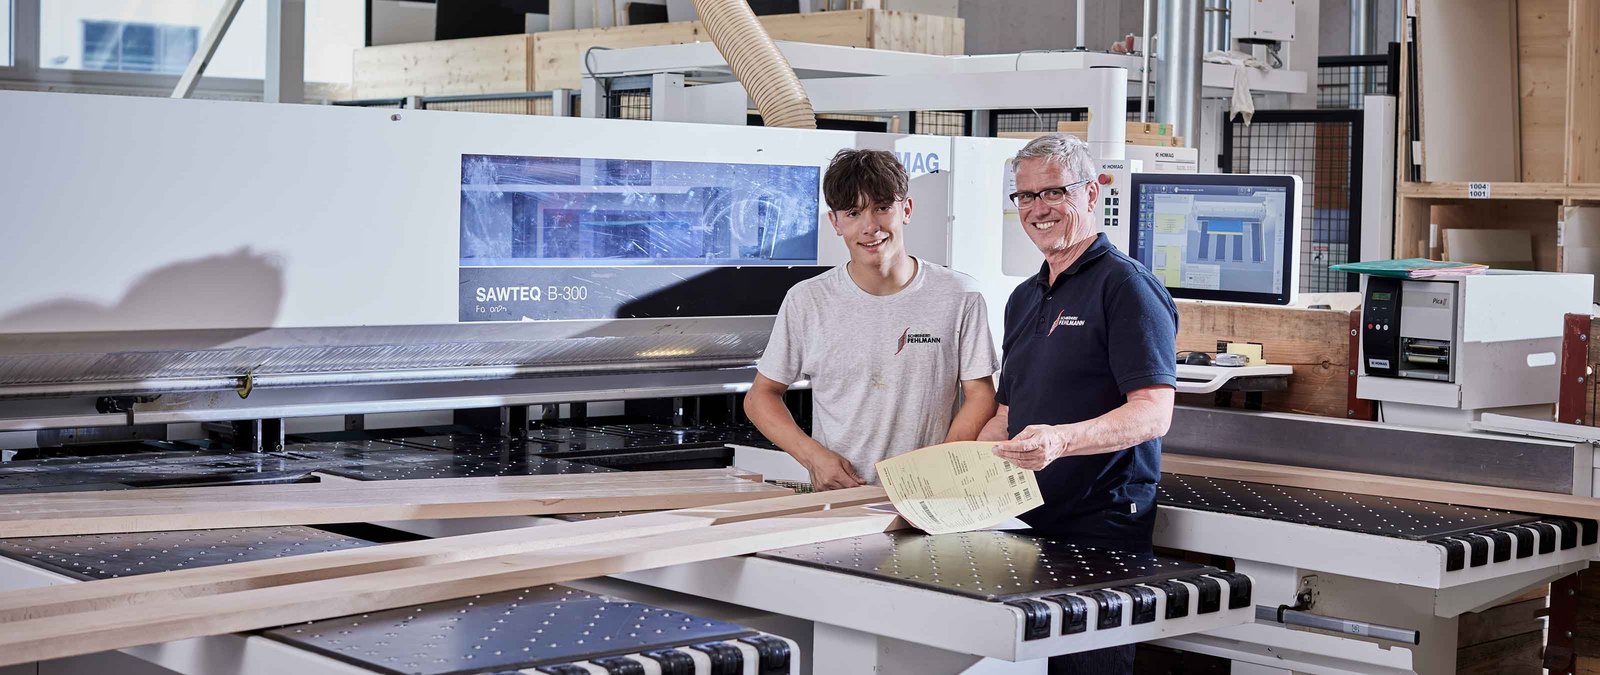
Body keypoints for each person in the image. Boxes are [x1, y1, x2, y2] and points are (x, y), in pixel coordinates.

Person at [977, 134, 1178, 674]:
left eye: (1053, 192)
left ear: (1090, 193)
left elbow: (1153, 411)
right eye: (1025, 196)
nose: (1038, 208)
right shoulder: (1024, 297)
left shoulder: (1127, 287)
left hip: (1101, 528)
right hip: (1024, 522)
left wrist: (1061, 440)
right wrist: (959, 474)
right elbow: (1005, 415)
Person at [744, 149, 999, 490]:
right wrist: (813, 457)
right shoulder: (807, 300)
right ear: (835, 222)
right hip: (841, 495)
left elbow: (980, 394)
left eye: (882, 208)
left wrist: (940, 469)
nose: (870, 227)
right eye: (853, 213)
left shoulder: (960, 295)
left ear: (906, 210)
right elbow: (760, 397)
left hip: (931, 497)